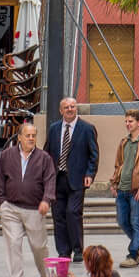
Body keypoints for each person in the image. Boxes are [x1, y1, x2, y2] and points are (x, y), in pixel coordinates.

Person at [0, 121, 56, 277]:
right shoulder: (7, 155)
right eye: (27, 135)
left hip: (35, 209)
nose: (31, 138)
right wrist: (2, 202)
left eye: (33, 136)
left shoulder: (44, 158)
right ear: (19, 137)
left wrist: (46, 200)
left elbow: (50, 181)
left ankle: (46, 276)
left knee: (39, 247)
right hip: (11, 208)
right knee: (13, 244)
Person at [46, 97, 98, 263]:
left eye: (72, 106)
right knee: (58, 216)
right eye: (66, 107)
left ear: (76, 109)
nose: (70, 109)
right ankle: (63, 251)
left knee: (72, 213)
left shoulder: (87, 128)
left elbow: (94, 155)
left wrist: (90, 174)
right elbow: (47, 153)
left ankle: (77, 249)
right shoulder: (54, 129)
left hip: (77, 180)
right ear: (61, 110)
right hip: (57, 179)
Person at [107, 108, 139, 268]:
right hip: (122, 189)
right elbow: (118, 165)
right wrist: (114, 183)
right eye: (126, 121)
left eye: (131, 121)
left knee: (136, 222)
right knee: (122, 221)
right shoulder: (124, 142)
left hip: (137, 190)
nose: (127, 124)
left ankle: (134, 254)